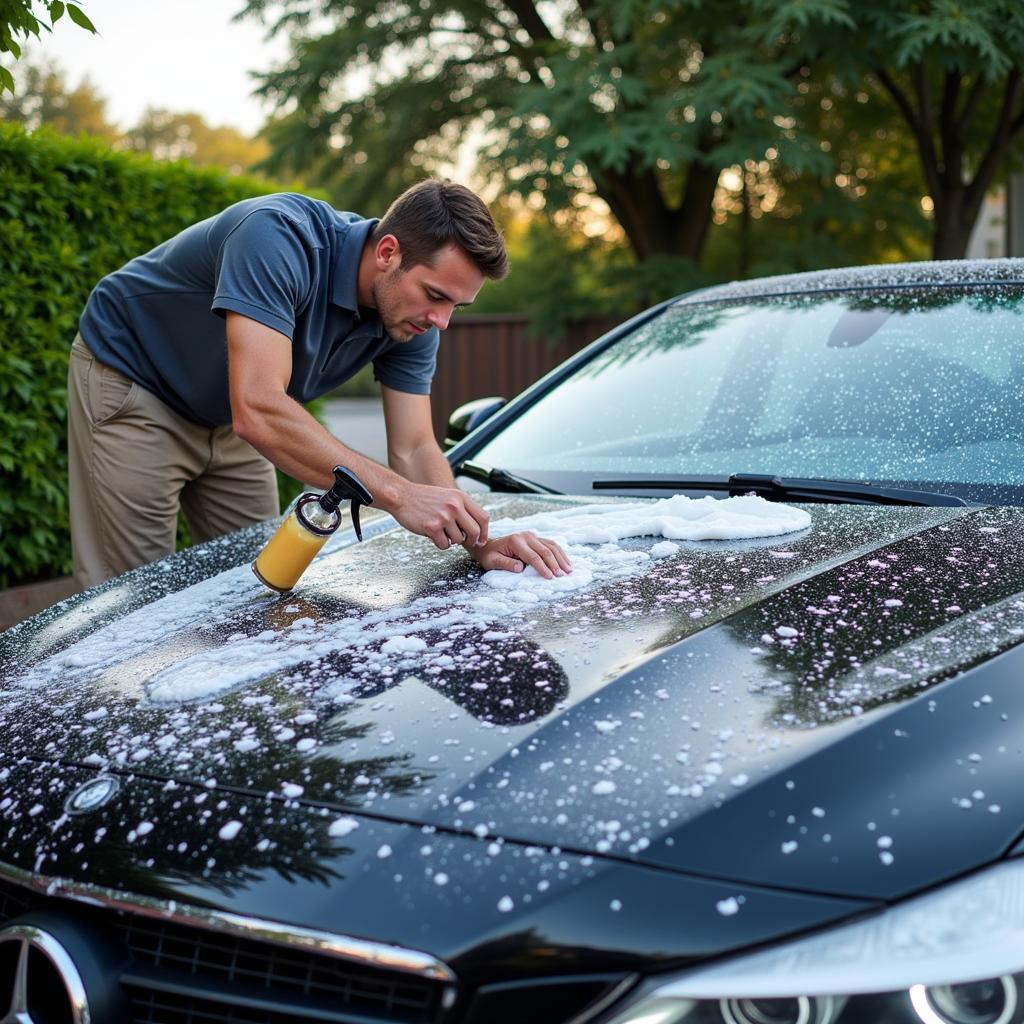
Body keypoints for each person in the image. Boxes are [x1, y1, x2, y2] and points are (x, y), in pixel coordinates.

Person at [67, 179, 571, 589]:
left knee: (254, 583)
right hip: (138, 385)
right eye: (436, 296)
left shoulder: (413, 317)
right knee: (132, 601)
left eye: (455, 307)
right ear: (388, 252)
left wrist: (480, 543)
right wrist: (399, 497)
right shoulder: (276, 237)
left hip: (232, 413)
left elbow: (415, 447)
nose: (442, 321)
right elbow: (260, 408)